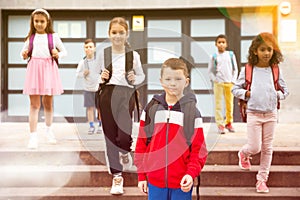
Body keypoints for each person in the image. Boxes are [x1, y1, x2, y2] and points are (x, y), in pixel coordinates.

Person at [135, 58, 207, 200]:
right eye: (168, 79)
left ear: (186, 82)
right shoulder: (151, 110)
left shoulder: (192, 113)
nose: (173, 83)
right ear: (161, 81)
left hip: (182, 182)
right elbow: (141, 144)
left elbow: (198, 150)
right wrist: (141, 175)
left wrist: (190, 174)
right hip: (154, 181)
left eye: (178, 79)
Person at [232, 32, 289, 193]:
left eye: (269, 50)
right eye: (263, 49)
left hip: (271, 114)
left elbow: (285, 91)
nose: (266, 53)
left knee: (267, 148)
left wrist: (277, 94)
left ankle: (262, 180)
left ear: (274, 51)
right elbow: (235, 89)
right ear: (255, 51)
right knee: (255, 147)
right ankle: (243, 153)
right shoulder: (249, 69)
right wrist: (246, 94)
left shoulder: (275, 70)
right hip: (253, 114)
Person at [97, 17, 145, 195]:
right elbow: (93, 79)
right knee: (110, 136)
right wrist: (100, 78)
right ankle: (117, 176)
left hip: (126, 95)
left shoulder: (133, 55)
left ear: (127, 34)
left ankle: (125, 151)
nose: (117, 36)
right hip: (107, 95)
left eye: (121, 33)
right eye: (114, 32)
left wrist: (136, 79)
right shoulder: (103, 54)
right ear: (109, 34)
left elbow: (141, 76)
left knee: (124, 134)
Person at [20, 8, 67, 149]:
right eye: (36, 21)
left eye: (42, 21)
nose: (39, 24)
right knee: (34, 105)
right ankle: (33, 136)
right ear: (32, 22)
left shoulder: (53, 37)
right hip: (34, 70)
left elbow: (65, 51)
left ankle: (48, 130)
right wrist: (23, 54)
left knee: (48, 103)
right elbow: (22, 53)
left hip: (49, 70)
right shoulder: (31, 38)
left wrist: (58, 54)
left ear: (47, 22)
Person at [208, 34, 238, 134]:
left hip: (229, 83)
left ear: (226, 44)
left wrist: (233, 81)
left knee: (229, 104)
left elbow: (235, 69)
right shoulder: (214, 56)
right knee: (218, 105)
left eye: (223, 42)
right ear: (216, 44)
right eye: (219, 42)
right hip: (219, 84)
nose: (221, 44)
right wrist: (214, 79)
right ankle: (220, 125)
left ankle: (229, 123)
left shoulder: (230, 55)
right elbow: (210, 71)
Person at [76, 39, 102, 134]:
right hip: (87, 89)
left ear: (94, 48)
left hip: (98, 89)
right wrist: (84, 73)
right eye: (86, 47)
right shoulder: (82, 62)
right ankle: (91, 126)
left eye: (90, 47)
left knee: (99, 108)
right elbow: (77, 74)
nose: (88, 49)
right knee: (90, 108)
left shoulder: (98, 61)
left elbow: (103, 72)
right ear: (84, 49)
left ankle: (100, 125)